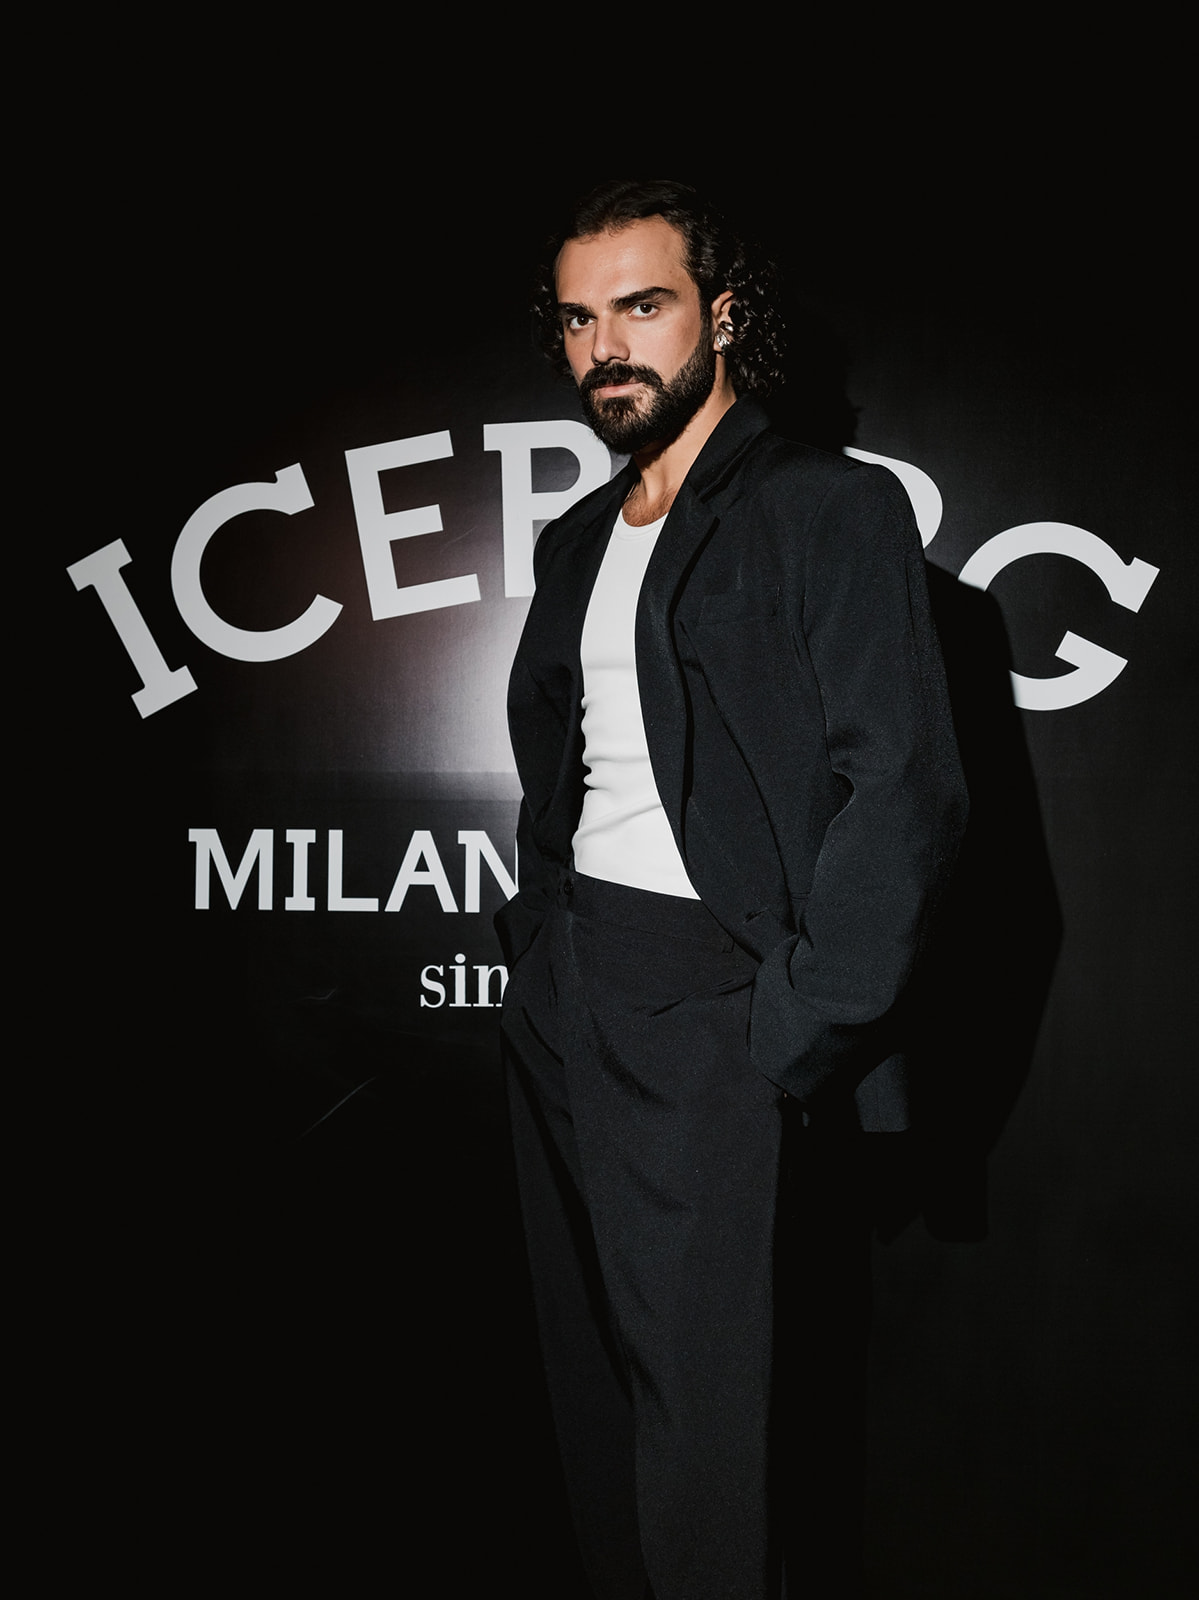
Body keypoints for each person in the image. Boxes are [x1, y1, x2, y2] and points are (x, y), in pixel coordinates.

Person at [495, 179, 967, 1600]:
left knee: (713, 1426)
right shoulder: (580, 536)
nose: (605, 348)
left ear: (725, 314)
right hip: (570, 989)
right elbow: (562, 761)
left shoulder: (830, 507)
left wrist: (798, 1022)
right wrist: (536, 950)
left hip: (714, 1010)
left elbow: (905, 787)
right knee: (597, 1392)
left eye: (642, 307)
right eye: (579, 320)